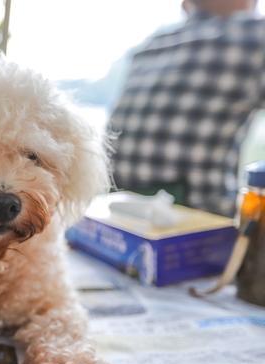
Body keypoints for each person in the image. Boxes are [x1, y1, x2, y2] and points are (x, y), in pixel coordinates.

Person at [108, 0, 265, 216]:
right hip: (195, 221)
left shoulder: (152, 44)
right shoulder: (255, 35)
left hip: (116, 213)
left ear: (186, 5)